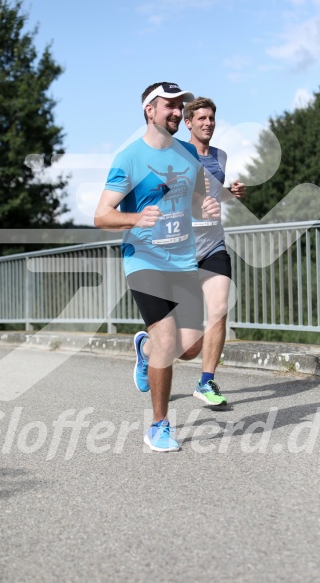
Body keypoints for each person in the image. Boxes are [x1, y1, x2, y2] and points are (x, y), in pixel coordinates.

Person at [94, 83, 221, 452]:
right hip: (144, 261)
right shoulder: (129, 157)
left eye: (180, 106)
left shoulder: (187, 156)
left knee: (191, 347)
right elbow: (102, 215)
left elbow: (196, 202)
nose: (177, 112)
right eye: (169, 106)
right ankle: (159, 426)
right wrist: (135, 217)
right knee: (168, 340)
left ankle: (145, 351)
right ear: (149, 110)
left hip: (182, 261)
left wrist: (206, 209)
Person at [184, 97, 246, 406]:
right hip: (180, 248)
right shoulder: (177, 154)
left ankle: (206, 382)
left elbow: (213, 194)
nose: (208, 123)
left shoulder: (220, 156)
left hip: (213, 245)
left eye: (211, 118)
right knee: (184, 346)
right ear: (188, 123)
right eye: (202, 118)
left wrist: (229, 194)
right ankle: (147, 350)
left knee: (219, 309)